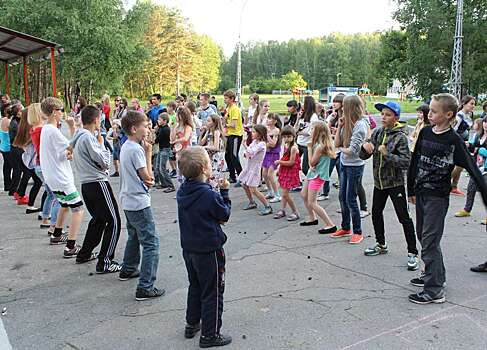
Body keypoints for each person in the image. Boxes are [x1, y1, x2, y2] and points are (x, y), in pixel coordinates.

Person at [407, 93, 487, 304]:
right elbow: (414, 161)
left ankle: (434, 290)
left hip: (437, 197)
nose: (429, 113)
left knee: (430, 240)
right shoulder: (425, 132)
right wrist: (411, 190)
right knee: (423, 236)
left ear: (448, 114)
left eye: (434, 111)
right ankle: (434, 275)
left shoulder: (454, 140)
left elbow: (472, 168)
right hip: (421, 193)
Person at [176, 146, 233, 348]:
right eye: (209, 163)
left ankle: (192, 323)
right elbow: (223, 214)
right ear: (203, 168)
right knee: (213, 291)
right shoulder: (209, 195)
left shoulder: (183, 190)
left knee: (196, 285)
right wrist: (225, 192)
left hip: (189, 248)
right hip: (209, 249)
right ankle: (210, 334)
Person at [360, 101, 419, 271]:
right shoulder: (377, 132)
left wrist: (386, 155)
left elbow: (406, 162)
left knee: (404, 217)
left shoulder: (400, 137)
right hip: (379, 183)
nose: (383, 117)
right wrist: (365, 150)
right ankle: (381, 244)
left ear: (396, 118)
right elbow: (364, 155)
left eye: (387, 114)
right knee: (376, 213)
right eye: (382, 114)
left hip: (395, 184)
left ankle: (412, 252)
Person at [118, 110, 165, 300]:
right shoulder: (136, 149)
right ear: (134, 128)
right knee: (151, 243)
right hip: (138, 201)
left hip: (128, 200)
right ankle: (145, 286)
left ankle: (128, 268)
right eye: (145, 126)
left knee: (134, 235)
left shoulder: (126, 146)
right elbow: (148, 178)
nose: (148, 129)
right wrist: (147, 153)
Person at [69, 105, 122, 273]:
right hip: (97, 182)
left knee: (98, 220)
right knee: (114, 221)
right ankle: (105, 261)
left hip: (87, 184)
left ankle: (84, 253)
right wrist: (102, 145)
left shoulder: (78, 134)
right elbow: (103, 161)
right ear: (96, 120)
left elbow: (69, 147)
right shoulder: (89, 138)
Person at [40, 97, 84, 258]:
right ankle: (71, 246)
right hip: (60, 177)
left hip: (52, 176)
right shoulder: (52, 130)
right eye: (61, 110)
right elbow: (73, 144)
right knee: (78, 209)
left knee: (64, 204)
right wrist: (73, 127)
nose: (62, 114)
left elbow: (59, 151)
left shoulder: (47, 129)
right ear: (53, 112)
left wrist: (66, 154)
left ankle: (57, 234)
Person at [331, 95, 369, 244]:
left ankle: (358, 232)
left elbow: (353, 151)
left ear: (349, 108)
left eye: (344, 106)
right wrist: (340, 126)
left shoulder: (360, 125)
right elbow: (337, 142)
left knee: (351, 199)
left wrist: (339, 148)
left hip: (355, 166)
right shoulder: (347, 122)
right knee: (342, 196)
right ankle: (345, 227)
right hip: (344, 163)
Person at [298, 122, 338, 234]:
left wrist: (309, 148)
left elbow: (311, 162)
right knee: (303, 194)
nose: (310, 131)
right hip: (312, 173)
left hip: (317, 175)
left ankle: (330, 224)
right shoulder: (318, 144)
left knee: (312, 202)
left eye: (312, 129)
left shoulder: (320, 147)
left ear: (318, 132)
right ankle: (312, 218)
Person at [29, 103, 61, 233]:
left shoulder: (34, 129)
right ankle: (54, 224)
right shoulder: (43, 130)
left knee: (50, 193)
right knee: (59, 196)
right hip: (45, 165)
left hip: (39, 165)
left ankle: (45, 218)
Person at [454, 116, 487, 223]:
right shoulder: (479, 135)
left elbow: (481, 149)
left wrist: (481, 150)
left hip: (486, 168)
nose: (486, 125)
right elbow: (474, 149)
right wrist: (469, 145)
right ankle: (467, 209)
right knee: (471, 188)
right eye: (485, 122)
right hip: (477, 166)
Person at [12, 107, 43, 211]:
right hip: (32, 160)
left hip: (27, 159)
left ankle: (23, 197)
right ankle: (34, 207)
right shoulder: (32, 129)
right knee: (38, 182)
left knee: (35, 180)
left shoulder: (22, 126)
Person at [239, 124, 272, 215]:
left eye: (254, 132)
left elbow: (250, 152)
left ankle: (267, 206)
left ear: (260, 134)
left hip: (255, 168)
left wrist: (245, 145)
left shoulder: (262, 144)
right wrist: (247, 151)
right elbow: (247, 154)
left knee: (253, 189)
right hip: (249, 167)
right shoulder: (255, 142)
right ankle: (252, 202)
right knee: (244, 184)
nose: (252, 133)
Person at [273, 126, 301, 221]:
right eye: (284, 137)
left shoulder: (293, 147)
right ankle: (283, 209)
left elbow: (291, 162)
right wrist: (279, 169)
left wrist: (279, 162)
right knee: (284, 192)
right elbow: (285, 158)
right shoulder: (287, 145)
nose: (286, 138)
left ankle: (295, 212)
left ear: (293, 136)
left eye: (289, 136)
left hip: (290, 172)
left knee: (285, 194)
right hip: (285, 171)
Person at [451, 95, 476, 196]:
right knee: (460, 165)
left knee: (460, 165)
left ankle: (453, 186)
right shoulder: (459, 116)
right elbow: (453, 130)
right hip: (458, 144)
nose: (473, 106)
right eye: (471, 104)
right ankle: (444, 182)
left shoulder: (468, 116)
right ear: (464, 104)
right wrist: (459, 142)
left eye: (474, 104)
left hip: (464, 144)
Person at [322, 94, 345, 199]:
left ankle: (342, 196)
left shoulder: (345, 117)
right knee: (327, 171)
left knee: (342, 175)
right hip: (331, 148)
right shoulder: (334, 116)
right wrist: (329, 119)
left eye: (337, 102)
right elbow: (325, 130)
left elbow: (344, 135)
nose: (334, 104)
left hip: (340, 150)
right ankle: (325, 193)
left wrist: (334, 134)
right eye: (333, 101)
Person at [295, 96, 320, 177]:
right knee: (294, 164)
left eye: (303, 102)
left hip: (307, 145)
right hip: (299, 143)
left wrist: (299, 132)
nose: (301, 104)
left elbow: (311, 132)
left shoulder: (313, 117)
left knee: (306, 168)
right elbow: (295, 130)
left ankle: (312, 180)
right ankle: (297, 183)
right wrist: (298, 118)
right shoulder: (302, 114)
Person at [200, 114, 225, 191]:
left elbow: (216, 147)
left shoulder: (216, 132)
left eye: (208, 121)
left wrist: (205, 147)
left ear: (214, 122)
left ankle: (216, 196)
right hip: (210, 157)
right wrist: (203, 133)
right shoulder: (209, 131)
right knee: (209, 177)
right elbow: (201, 143)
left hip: (216, 158)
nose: (206, 122)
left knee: (214, 179)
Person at [223, 90, 243, 184]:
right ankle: (232, 176)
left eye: (226, 98)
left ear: (232, 99)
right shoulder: (228, 108)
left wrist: (225, 125)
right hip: (230, 135)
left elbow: (234, 125)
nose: (225, 100)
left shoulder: (235, 109)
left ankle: (242, 177)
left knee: (234, 156)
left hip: (236, 135)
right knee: (227, 156)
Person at [262, 113, 282, 203]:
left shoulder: (276, 130)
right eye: (268, 118)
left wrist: (266, 135)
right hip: (267, 153)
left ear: (275, 121)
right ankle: (270, 191)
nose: (268, 120)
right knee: (264, 174)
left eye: (270, 119)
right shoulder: (267, 130)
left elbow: (273, 144)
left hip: (274, 154)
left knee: (271, 174)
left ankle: (277, 194)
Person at [154, 113, 175, 192]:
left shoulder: (165, 129)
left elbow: (157, 139)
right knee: (157, 167)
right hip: (161, 149)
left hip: (165, 149)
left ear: (165, 121)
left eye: (160, 120)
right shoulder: (161, 128)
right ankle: (163, 183)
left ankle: (171, 185)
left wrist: (155, 133)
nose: (158, 121)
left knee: (162, 168)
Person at [0, 105, 12, 193]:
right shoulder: (9, 121)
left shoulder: (2, 120)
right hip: (8, 146)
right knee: (15, 167)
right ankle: (11, 186)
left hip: (3, 146)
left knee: (6, 166)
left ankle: (7, 185)